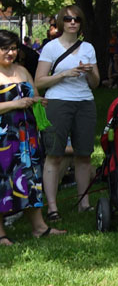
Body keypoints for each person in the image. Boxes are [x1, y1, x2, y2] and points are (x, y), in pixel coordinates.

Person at [1, 30, 67, 244]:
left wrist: (38, 101)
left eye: (13, 48)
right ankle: (1, 235)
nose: (10, 53)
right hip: (3, 139)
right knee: (3, 182)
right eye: (5, 48)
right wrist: (15, 104)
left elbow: (34, 94)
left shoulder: (22, 70)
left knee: (29, 179)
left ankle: (39, 227)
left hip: (25, 136)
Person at [34, 6, 100, 219]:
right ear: (62, 22)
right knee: (54, 154)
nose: (73, 22)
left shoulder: (88, 48)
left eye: (77, 19)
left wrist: (90, 72)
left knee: (84, 155)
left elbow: (96, 83)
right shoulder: (51, 48)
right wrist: (65, 74)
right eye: (68, 19)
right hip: (58, 102)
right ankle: (53, 208)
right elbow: (40, 81)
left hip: (85, 102)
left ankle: (84, 203)